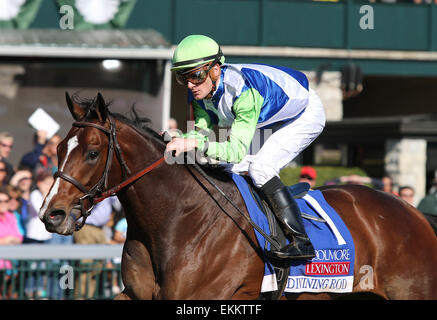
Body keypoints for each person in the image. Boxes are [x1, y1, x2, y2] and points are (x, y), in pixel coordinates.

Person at [166, 35, 326, 260]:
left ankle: (301, 242)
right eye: (183, 78)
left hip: (304, 113)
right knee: (226, 169)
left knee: (260, 169)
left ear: (215, 70)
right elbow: (200, 132)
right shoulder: (200, 93)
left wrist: (195, 142)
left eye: (196, 75)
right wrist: (179, 138)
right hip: (267, 118)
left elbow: (235, 151)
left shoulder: (243, 93)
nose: (190, 84)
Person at [0, 186, 23, 299]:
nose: (3, 203)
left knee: (11, 295)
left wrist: (5, 240)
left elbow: (19, 238)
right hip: (1, 265)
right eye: (0, 201)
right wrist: (8, 239)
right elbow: (13, 238)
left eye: (6, 201)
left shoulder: (11, 217)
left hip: (11, 265)